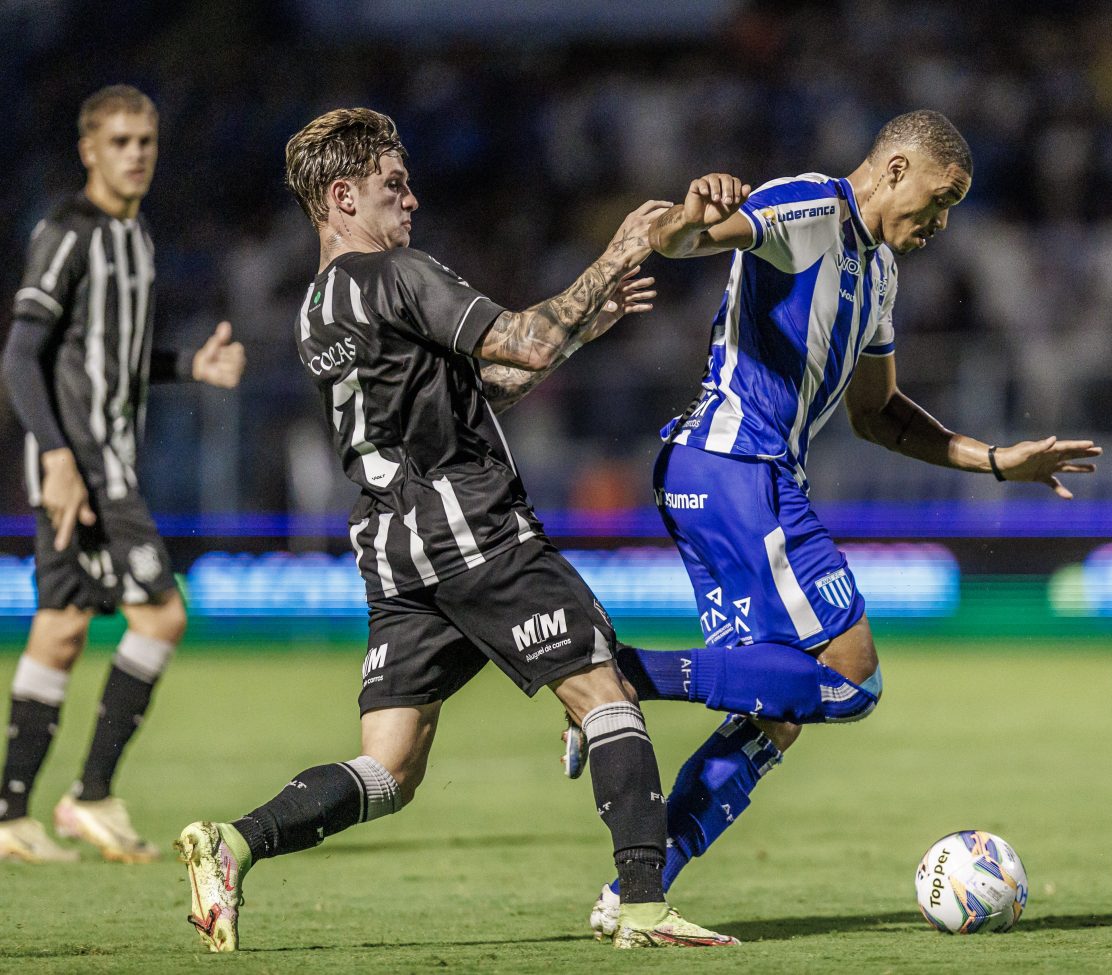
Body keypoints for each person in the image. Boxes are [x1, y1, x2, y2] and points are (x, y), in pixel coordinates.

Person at [175, 107, 737, 953]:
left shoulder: (316, 312)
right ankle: (645, 907)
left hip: (394, 553)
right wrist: (620, 250)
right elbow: (523, 345)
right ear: (342, 196)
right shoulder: (395, 274)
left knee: (388, 768)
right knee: (603, 693)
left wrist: (584, 323)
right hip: (471, 531)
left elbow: (478, 396)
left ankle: (234, 843)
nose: (412, 199)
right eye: (393, 186)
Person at [567, 109, 1102, 935]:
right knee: (851, 678)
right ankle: (614, 677)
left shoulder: (879, 272)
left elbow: (878, 412)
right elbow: (683, 241)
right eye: (940, 197)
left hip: (724, 477)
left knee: (777, 711)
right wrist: (697, 208)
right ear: (893, 169)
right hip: (738, 466)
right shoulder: (811, 210)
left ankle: (637, 890)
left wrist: (999, 461)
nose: (943, 222)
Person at [0, 85, 245, 864]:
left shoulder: (135, 237)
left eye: (146, 140)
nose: (137, 152)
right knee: (161, 616)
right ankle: (91, 794)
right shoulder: (69, 232)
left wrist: (188, 364)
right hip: (87, 465)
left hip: (102, 459)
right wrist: (58, 455)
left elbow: (112, 354)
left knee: (63, 627)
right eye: (121, 140)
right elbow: (21, 353)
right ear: (89, 150)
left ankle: (10, 815)